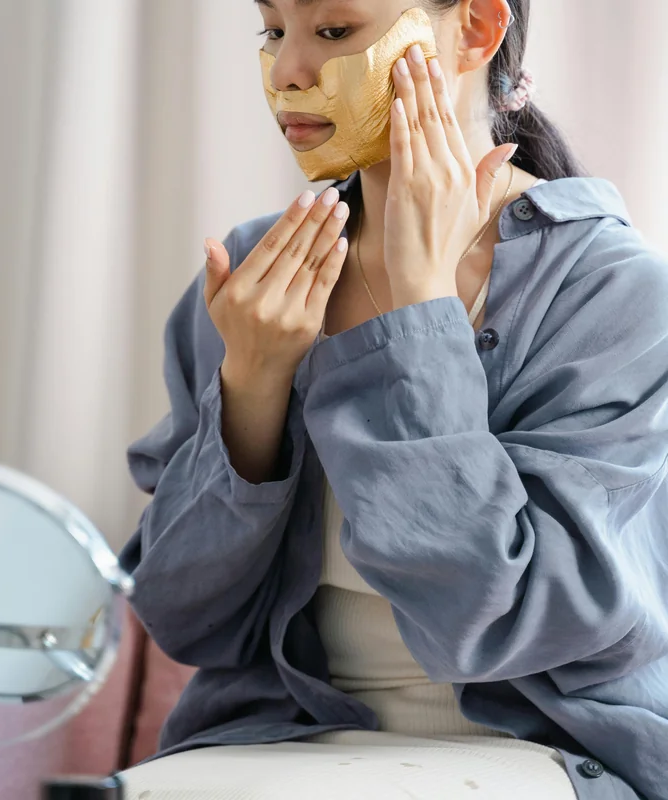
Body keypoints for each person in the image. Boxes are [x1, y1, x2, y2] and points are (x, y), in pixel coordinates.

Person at [119, 1, 668, 798]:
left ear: (476, 29)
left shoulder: (613, 293)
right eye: (273, 29)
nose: (287, 72)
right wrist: (252, 385)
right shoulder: (257, 275)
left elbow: (505, 619)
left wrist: (419, 311)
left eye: (334, 31)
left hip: (548, 756)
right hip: (275, 747)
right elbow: (184, 619)